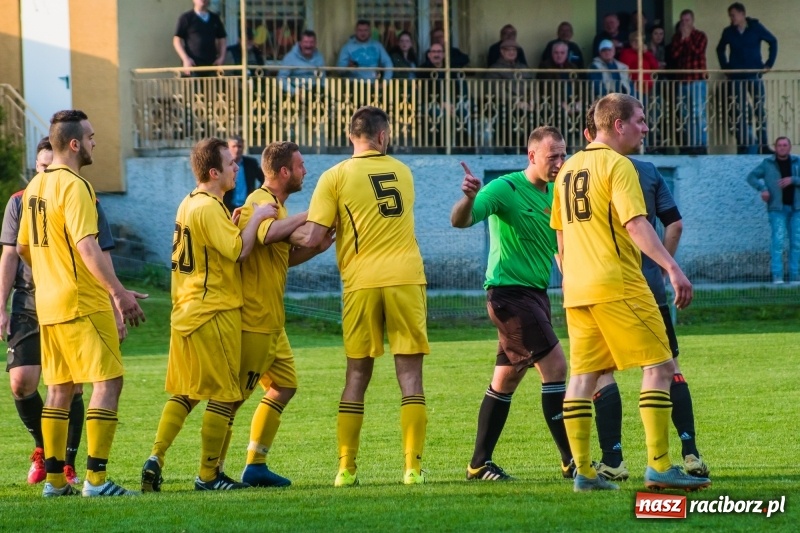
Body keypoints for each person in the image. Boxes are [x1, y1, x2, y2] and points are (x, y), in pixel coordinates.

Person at [550, 93, 710, 492]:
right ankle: (660, 466)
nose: (645, 127)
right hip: (619, 284)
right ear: (618, 125)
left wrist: (570, 277)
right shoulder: (618, 165)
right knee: (661, 366)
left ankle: (585, 473)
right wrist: (672, 268)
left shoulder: (568, 169)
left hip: (577, 290)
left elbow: (561, 236)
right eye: (640, 120)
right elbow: (636, 224)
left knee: (583, 376)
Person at [291, 106, 429, 486]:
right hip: (406, 279)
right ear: (383, 136)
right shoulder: (403, 172)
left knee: (356, 375)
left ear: (351, 136)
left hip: (361, 282)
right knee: (410, 375)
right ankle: (412, 469)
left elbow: (313, 237)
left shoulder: (335, 176)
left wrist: (270, 236)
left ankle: (346, 469)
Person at [16, 110, 147, 497]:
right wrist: (118, 293)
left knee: (59, 389)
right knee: (109, 381)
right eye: (90, 137)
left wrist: (50, 273)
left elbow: (23, 248)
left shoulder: (35, 186)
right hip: (81, 302)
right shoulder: (76, 186)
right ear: (74, 144)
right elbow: (87, 246)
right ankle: (96, 480)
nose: (94, 143)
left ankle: (55, 482)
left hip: (48, 303)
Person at [140, 137, 277, 492]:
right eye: (230, 164)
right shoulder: (209, 207)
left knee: (186, 392)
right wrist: (257, 218)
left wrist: (235, 223)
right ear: (214, 172)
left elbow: (213, 243)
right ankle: (208, 476)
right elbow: (239, 251)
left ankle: (156, 456)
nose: (236, 168)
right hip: (213, 311)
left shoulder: (188, 203)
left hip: (185, 311)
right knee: (224, 394)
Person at [450, 127, 574, 481]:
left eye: (563, 155)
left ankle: (478, 464)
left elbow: (557, 248)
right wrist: (469, 198)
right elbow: (460, 221)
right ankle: (572, 462)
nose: (559, 163)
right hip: (509, 295)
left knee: (506, 379)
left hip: (536, 295)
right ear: (532, 156)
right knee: (555, 367)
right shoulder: (505, 188)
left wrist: (572, 281)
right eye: (552, 156)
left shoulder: (556, 194)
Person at [1, 137, 117, 488]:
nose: (95, 143)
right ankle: (85, 474)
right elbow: (16, 252)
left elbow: (99, 249)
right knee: (98, 382)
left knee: (66, 386)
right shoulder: (32, 196)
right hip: (53, 300)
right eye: (42, 166)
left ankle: (60, 472)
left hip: (54, 299)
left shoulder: (66, 193)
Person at [237, 142, 334, 487]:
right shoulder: (259, 201)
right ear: (284, 171)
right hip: (254, 318)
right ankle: (208, 470)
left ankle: (255, 465)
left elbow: (282, 258)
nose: (305, 171)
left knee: (284, 386)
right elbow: (266, 236)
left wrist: (316, 248)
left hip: (273, 321)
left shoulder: (278, 207)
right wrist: (312, 213)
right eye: (300, 165)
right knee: (231, 399)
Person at [716, 2, 778, 154]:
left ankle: (763, 144)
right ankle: (744, 144)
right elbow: (720, 49)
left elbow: (773, 41)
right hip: (736, 76)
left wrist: (769, 64)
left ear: (742, 14)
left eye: (733, 15)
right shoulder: (728, 31)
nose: (731, 18)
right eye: (730, 16)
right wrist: (726, 68)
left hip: (754, 74)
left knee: (759, 110)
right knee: (739, 111)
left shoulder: (755, 28)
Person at [746, 136, 800, 284]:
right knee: (778, 242)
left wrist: (793, 179)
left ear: (790, 147)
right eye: (779, 145)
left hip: (796, 209)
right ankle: (777, 276)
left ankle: (795, 276)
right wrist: (763, 189)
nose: (782, 147)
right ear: (775, 148)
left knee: (796, 243)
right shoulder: (767, 163)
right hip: (777, 209)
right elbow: (751, 177)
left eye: (785, 145)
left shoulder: (797, 162)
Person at [670, 9, 708, 154]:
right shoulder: (676, 37)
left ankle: (701, 144)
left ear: (692, 21)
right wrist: (682, 40)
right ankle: (691, 144)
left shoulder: (700, 35)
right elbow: (674, 55)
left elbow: (698, 51)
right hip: (682, 80)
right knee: (685, 114)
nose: (684, 23)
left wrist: (687, 39)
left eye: (687, 20)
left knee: (698, 112)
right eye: (682, 21)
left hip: (697, 79)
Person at [173, 0, 227, 77]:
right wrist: (185, 59)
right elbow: (177, 40)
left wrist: (221, 58)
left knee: (213, 85)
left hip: (212, 65)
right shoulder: (186, 18)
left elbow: (222, 39)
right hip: (192, 66)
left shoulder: (215, 18)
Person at [223, 135, 264, 212]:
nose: (237, 149)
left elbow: (264, 179)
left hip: (247, 207)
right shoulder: (223, 164)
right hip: (227, 208)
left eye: (240, 146)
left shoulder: (251, 163)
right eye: (234, 146)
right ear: (228, 148)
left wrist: (257, 193)